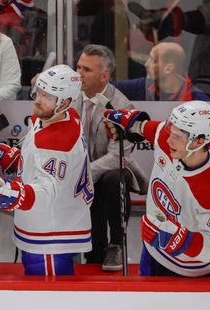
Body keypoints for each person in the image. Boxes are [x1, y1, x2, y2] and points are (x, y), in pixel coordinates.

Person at [0, 64, 92, 276]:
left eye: (47, 97)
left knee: (48, 301)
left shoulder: (57, 142)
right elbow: (42, 168)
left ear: (65, 102)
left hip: (50, 235)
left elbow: (47, 191)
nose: (38, 100)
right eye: (38, 93)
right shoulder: (57, 118)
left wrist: (11, 194)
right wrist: (13, 158)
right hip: (47, 225)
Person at [104, 102, 210, 277]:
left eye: (177, 136)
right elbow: (155, 131)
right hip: (153, 250)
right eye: (170, 131)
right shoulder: (171, 141)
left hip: (190, 269)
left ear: (198, 141)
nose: (168, 140)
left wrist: (182, 240)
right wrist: (133, 124)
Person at [73, 44, 147, 272]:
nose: (78, 74)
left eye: (86, 70)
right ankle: (91, 250)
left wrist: (84, 173)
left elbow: (117, 156)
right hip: (80, 172)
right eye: (77, 67)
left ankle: (116, 244)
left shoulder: (121, 106)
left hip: (109, 172)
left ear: (104, 76)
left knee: (114, 178)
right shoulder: (68, 97)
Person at [112, 42, 210, 102]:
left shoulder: (198, 99)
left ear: (169, 69)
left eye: (153, 60)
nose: (146, 64)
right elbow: (108, 87)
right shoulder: (143, 85)